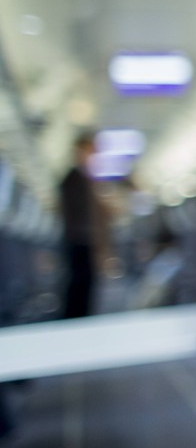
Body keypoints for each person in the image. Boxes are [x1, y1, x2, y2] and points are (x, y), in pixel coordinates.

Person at [59, 131, 104, 319]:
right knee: (80, 282)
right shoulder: (73, 178)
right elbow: (81, 214)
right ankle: (75, 319)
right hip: (79, 239)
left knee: (84, 283)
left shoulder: (82, 178)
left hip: (83, 238)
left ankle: (80, 318)